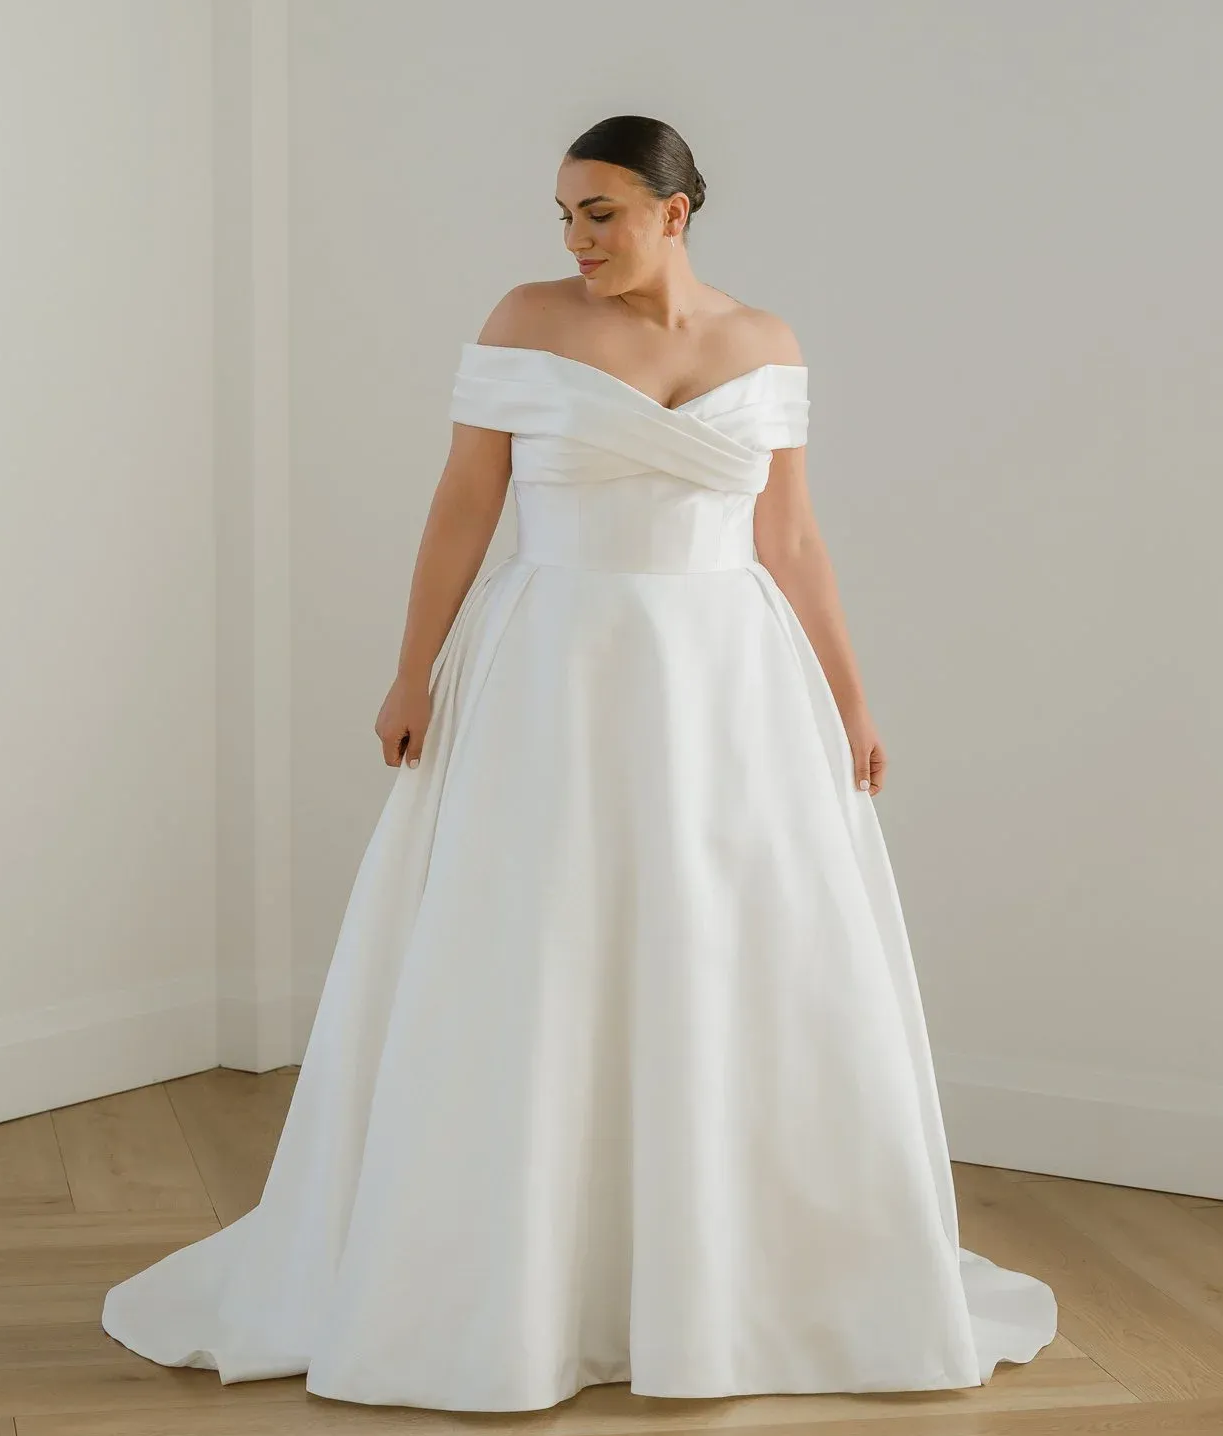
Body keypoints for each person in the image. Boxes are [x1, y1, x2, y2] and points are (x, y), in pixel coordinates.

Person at [101, 113, 1058, 1411]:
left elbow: (790, 537)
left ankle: (726, 1277)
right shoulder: (524, 320)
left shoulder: (765, 343)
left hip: (727, 684)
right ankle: (515, 1273)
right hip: (552, 666)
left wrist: (850, 700)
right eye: (562, 215)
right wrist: (411, 670)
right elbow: (464, 504)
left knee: (723, 943)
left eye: (598, 213)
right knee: (534, 942)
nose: (575, 239)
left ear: (675, 211)